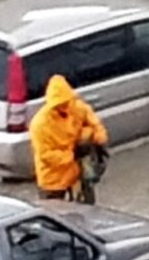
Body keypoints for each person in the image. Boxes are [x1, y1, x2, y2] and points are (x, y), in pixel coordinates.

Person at [29, 74, 109, 203]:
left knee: (85, 212)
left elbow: (95, 124)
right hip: (53, 180)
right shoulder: (40, 124)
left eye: (66, 102)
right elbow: (46, 155)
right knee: (53, 215)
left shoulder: (78, 108)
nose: (64, 106)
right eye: (60, 104)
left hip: (77, 175)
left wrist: (95, 136)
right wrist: (71, 156)